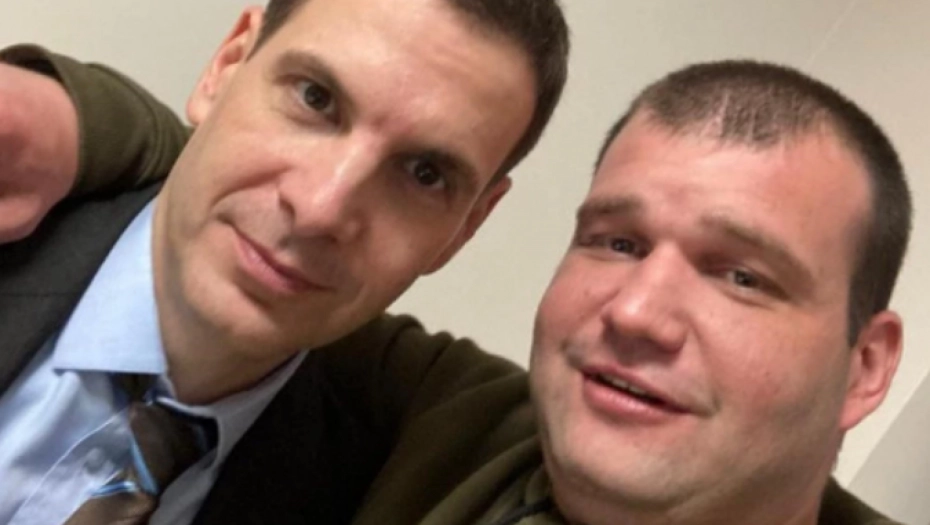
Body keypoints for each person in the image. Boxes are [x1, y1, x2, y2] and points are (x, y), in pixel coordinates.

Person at [3, 24, 911, 525]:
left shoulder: (403, 424)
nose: (638, 312)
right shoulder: (453, 420)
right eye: (616, 242)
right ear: (229, 61)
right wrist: (65, 111)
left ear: (866, 364)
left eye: (743, 276)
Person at [0, 0, 569, 523]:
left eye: (425, 174)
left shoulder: (386, 455)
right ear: (227, 65)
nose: (321, 210)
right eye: (315, 98)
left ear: (466, 228)